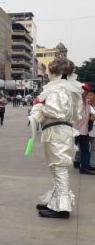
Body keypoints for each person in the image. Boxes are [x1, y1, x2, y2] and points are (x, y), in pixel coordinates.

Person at [30, 58, 84, 218]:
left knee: (58, 168)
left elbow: (56, 110)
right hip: (61, 130)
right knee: (57, 167)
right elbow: (74, 112)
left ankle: (62, 207)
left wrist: (40, 106)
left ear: (55, 71)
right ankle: (56, 201)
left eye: (48, 69)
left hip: (57, 131)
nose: (46, 71)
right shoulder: (69, 88)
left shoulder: (58, 89)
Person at [72, 84, 95, 175]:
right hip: (76, 129)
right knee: (79, 148)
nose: (84, 92)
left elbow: (91, 111)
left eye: (86, 91)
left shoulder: (87, 101)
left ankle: (84, 167)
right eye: (83, 90)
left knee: (85, 149)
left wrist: (92, 115)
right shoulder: (75, 101)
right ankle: (83, 167)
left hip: (84, 130)